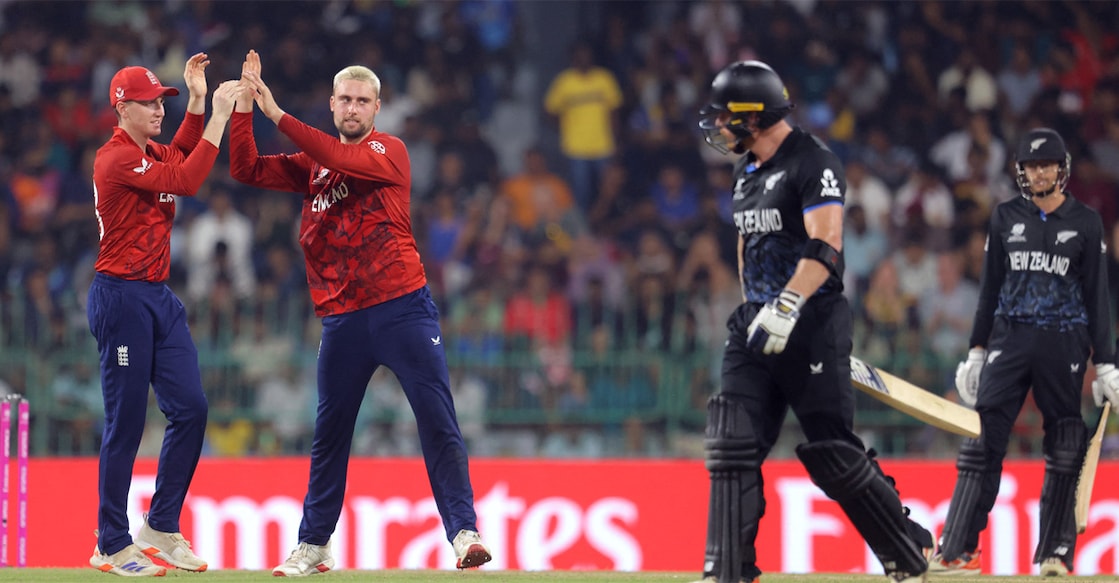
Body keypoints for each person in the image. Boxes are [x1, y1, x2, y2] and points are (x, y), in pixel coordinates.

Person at [228, 50, 492, 576]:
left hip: (402, 308)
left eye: (362, 101)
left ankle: (464, 534)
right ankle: (314, 544)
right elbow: (245, 168)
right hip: (344, 319)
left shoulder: (388, 150)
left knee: (437, 418)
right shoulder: (311, 166)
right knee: (330, 432)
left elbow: (339, 158)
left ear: (377, 108)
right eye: (345, 100)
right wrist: (241, 110)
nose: (353, 108)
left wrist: (276, 113)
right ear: (331, 104)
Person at [692, 60, 933, 583]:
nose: (718, 128)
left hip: (811, 320)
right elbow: (746, 245)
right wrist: (756, 307)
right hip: (757, 322)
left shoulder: (814, 161)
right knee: (732, 442)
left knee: (832, 451)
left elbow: (826, 242)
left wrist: (787, 305)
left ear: (752, 117)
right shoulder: (745, 171)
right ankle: (728, 569)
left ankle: (908, 551)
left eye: (725, 117)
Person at [934, 127, 1119, 576]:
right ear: (1020, 171)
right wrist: (976, 351)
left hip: (1065, 341)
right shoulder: (1003, 218)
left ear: (1062, 169)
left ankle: (1055, 554)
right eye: (1030, 166)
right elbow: (989, 290)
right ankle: (957, 550)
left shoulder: (1086, 221)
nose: (1038, 173)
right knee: (981, 440)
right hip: (1009, 338)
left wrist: (1108, 364)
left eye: (1046, 165)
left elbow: (1098, 297)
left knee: (1065, 445)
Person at [88, 55, 241, 576]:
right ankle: (110, 541)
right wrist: (217, 118)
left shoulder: (148, 152)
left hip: (156, 296)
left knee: (192, 408)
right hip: (122, 297)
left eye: (162, 101)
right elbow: (189, 178)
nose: (158, 109)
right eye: (150, 103)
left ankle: (160, 523)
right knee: (127, 420)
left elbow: (175, 161)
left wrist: (196, 103)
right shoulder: (115, 159)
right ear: (121, 107)